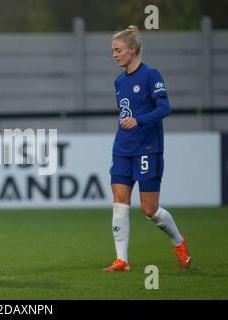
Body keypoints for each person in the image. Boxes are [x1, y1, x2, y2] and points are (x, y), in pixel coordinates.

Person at [103, 25, 191, 272]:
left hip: (147, 149)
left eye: (118, 50)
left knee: (149, 209)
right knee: (120, 201)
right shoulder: (119, 81)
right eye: (112, 50)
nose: (114, 54)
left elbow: (164, 108)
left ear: (133, 50)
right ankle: (122, 260)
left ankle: (179, 243)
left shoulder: (151, 75)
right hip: (122, 148)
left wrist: (139, 120)